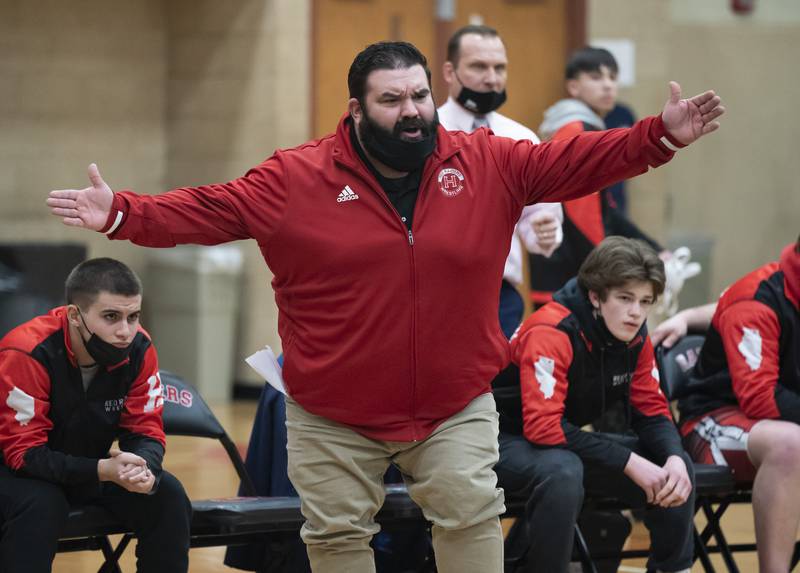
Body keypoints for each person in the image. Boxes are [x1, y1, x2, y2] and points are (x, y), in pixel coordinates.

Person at [47, 41, 723, 573]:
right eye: (393, 98)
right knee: (339, 536)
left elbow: (578, 161)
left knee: (471, 515)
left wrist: (659, 136)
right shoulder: (296, 177)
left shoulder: (486, 162)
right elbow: (208, 209)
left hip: (453, 401)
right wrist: (122, 214)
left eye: (421, 96)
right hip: (334, 412)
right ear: (356, 108)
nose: (412, 111)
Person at [494, 236, 695, 573]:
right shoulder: (551, 330)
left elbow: (653, 410)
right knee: (562, 472)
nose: (636, 312)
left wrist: (673, 455)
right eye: (625, 298)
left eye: (646, 301)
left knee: (676, 466)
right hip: (498, 441)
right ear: (595, 296)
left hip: (555, 443)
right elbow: (543, 428)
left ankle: (674, 569)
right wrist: (628, 461)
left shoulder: (636, 334)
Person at [0, 258, 192, 573]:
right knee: (42, 504)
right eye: (111, 317)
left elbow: (146, 430)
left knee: (166, 493)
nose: (125, 332)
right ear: (75, 315)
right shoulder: (27, 351)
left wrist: (143, 467)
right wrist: (102, 469)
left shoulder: (140, 347)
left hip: (90, 466)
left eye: (133, 316)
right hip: (17, 474)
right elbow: (24, 456)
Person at [676, 236, 799, 573]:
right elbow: (761, 397)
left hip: (780, 423)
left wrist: (688, 316)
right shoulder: (758, 299)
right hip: (711, 422)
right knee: (791, 446)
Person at [438, 24, 563, 337]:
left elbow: (540, 219)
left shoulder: (522, 138)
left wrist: (546, 233)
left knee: (494, 384)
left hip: (499, 295)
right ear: (450, 72)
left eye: (499, 68)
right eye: (479, 66)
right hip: (433, 289)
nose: (492, 78)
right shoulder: (428, 132)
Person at [530, 47, 668, 306]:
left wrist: (654, 248)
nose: (607, 85)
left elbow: (605, 208)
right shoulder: (578, 130)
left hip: (563, 272)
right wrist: (608, 271)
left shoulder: (569, 124)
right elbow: (583, 214)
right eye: (596, 77)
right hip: (574, 277)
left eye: (612, 78)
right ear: (573, 86)